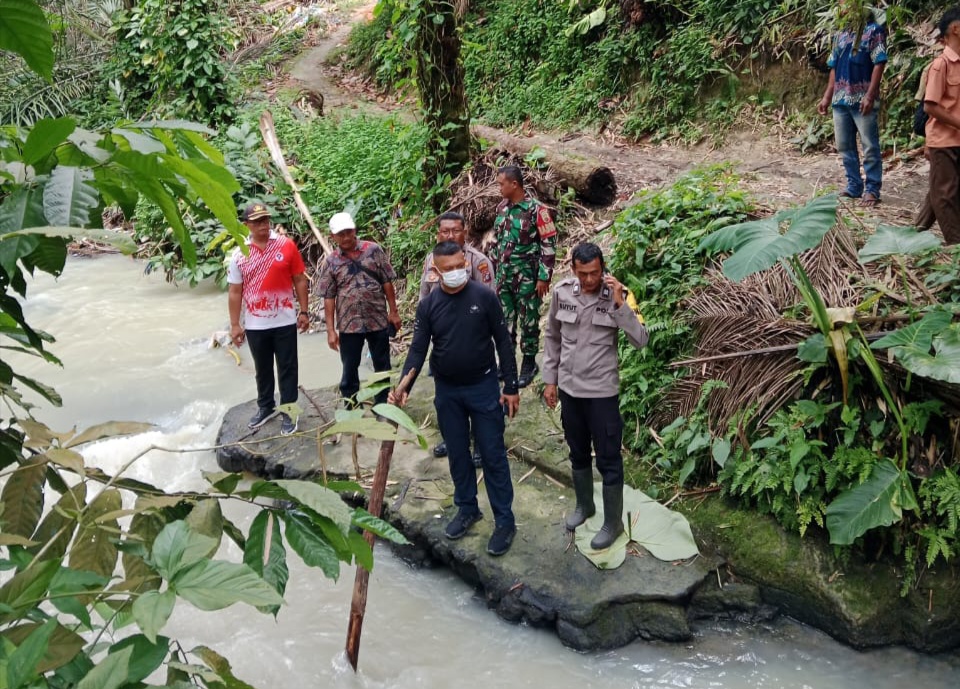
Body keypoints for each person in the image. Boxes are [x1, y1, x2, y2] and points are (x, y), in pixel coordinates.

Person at [390, 241, 520, 556]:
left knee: (492, 454)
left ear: (465, 262)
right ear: (435, 271)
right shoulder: (429, 305)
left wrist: (511, 386)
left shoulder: (484, 297)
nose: (454, 273)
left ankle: (504, 521)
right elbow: (419, 348)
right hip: (447, 391)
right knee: (458, 454)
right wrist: (404, 384)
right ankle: (466, 508)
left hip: (484, 386)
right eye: (446, 269)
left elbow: (503, 340)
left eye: (458, 266)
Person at [542, 243, 648, 550]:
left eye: (596, 273)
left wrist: (619, 306)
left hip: (601, 392)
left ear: (603, 268)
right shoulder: (562, 292)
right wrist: (550, 380)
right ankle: (584, 506)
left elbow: (641, 339)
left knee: (609, 458)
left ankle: (612, 523)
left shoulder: (620, 293)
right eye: (583, 273)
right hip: (570, 390)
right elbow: (552, 337)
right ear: (573, 269)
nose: (590, 280)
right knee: (577, 451)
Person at [228, 203, 310, 436]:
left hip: (284, 320)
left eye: (266, 220)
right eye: (257, 222)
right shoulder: (239, 254)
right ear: (247, 225)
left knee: (287, 367)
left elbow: (299, 280)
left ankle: (289, 410)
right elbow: (235, 292)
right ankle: (265, 407)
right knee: (262, 368)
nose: (263, 225)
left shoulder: (286, 246)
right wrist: (235, 324)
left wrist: (303, 312)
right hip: (255, 324)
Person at [420, 211, 495, 460]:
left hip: (474, 343)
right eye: (445, 231)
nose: (450, 235)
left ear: (465, 232)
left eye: (455, 230)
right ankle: (453, 439)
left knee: (478, 400)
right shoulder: (432, 260)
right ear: (437, 233)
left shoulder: (479, 262)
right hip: (443, 343)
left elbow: (489, 306)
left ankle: (479, 445)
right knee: (446, 399)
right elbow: (425, 298)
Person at [318, 212, 402, 406]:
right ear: (333, 237)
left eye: (349, 232)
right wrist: (330, 330)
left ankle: (381, 403)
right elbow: (329, 297)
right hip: (349, 324)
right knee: (349, 366)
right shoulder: (331, 262)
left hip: (378, 318)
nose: (346, 237)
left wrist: (394, 311)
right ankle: (350, 404)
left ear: (355, 230)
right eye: (341, 234)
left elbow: (387, 281)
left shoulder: (373, 250)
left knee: (382, 364)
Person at [492, 165, 557, 388]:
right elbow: (497, 244)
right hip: (504, 277)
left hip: (528, 277)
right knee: (505, 322)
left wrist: (544, 277)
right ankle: (507, 364)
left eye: (501, 184)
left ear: (514, 184)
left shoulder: (536, 210)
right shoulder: (502, 209)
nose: (499, 188)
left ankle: (529, 364)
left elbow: (549, 243)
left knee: (529, 322)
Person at [817, 3, 887, 207]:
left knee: (870, 145)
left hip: (862, 98)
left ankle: (872, 189)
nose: (841, 7)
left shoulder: (874, 31)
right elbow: (833, 67)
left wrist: (870, 95)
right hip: (840, 99)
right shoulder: (840, 33)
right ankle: (854, 186)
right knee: (844, 145)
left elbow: (879, 62)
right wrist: (827, 97)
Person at [924, 7, 960, 246]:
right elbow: (930, 106)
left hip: (956, 139)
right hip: (944, 141)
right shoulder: (941, 65)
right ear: (956, 29)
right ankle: (956, 246)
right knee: (945, 195)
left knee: (941, 191)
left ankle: (913, 234)